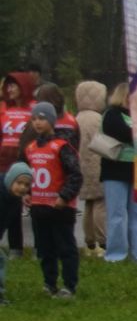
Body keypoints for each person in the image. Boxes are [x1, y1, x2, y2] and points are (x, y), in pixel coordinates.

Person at [20, 103, 80, 297]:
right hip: (39, 206)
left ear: (52, 120)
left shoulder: (62, 146)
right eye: (34, 119)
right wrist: (28, 192)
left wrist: (64, 196)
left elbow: (75, 175)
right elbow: (30, 174)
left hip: (59, 207)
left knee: (65, 247)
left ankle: (69, 285)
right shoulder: (30, 148)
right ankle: (49, 282)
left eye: (42, 118)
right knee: (45, 248)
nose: (38, 122)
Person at [97, 83, 137, 263]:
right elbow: (124, 133)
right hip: (115, 170)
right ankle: (115, 255)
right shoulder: (112, 114)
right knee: (116, 215)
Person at [73, 81, 107, 255]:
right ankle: (103, 240)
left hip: (81, 166)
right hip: (97, 166)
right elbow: (102, 144)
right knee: (101, 203)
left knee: (88, 204)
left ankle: (89, 241)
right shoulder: (97, 119)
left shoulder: (77, 118)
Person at [0, 73, 30, 256]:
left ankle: (16, 247)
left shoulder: (33, 109)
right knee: (4, 203)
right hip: (3, 163)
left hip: (23, 162)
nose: (9, 89)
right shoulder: (3, 109)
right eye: (7, 86)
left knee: (16, 205)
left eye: (13, 85)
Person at [0, 164, 28, 303]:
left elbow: (15, 225)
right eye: (19, 183)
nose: (23, 187)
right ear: (10, 180)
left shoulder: (15, 199)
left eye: (26, 185)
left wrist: (16, 248)